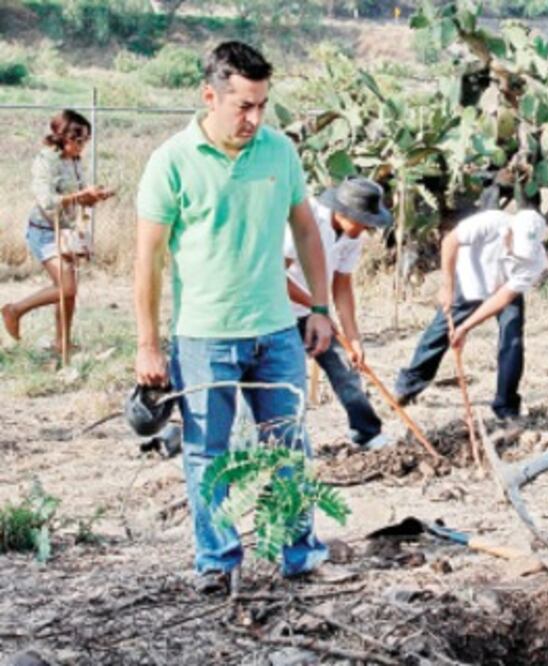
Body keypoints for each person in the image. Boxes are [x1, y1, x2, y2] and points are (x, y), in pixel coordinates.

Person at [133, 41, 335, 593]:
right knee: (207, 455)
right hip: (203, 338)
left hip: (275, 332)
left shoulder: (278, 152)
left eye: (263, 105)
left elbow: (307, 232)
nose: (255, 118)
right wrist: (148, 344)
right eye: (243, 106)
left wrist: (319, 307)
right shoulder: (171, 161)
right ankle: (218, 563)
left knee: (290, 446)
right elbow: (148, 259)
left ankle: (299, 555)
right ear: (209, 95)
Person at [394, 209, 546, 421]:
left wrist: (466, 328)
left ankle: (506, 406)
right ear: (509, 232)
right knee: (439, 332)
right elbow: (450, 242)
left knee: (512, 342)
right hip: (468, 282)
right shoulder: (490, 222)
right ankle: (406, 388)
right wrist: (447, 286)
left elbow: (502, 298)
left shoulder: (536, 261)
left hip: (502, 291)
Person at [285, 177, 393, 450]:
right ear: (343, 212)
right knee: (286, 384)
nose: (367, 227)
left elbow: (342, 286)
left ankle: (367, 432)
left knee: (345, 369)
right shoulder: (304, 219)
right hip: (279, 313)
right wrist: (316, 307)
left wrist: (354, 338)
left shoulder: (352, 234)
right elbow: (274, 275)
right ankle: (282, 448)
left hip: (313, 312)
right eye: (363, 220)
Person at [2, 110, 114, 352]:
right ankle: (14, 310)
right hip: (43, 232)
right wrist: (81, 195)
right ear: (65, 137)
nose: (84, 145)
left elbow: (78, 198)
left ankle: (62, 343)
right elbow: (47, 201)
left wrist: (93, 197)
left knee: (68, 291)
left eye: (86, 139)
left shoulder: (73, 161)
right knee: (67, 288)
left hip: (64, 234)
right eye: (80, 140)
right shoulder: (46, 161)